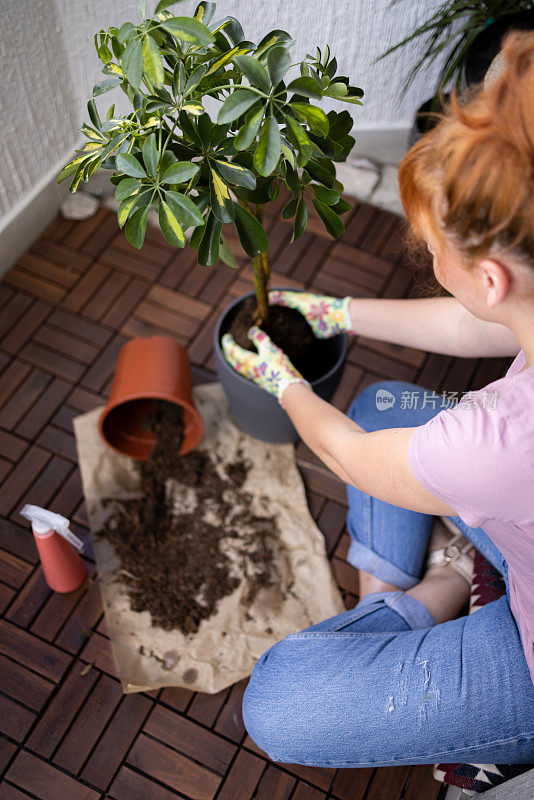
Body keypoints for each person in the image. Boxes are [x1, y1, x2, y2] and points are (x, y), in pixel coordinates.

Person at [222, 30, 534, 767]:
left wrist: (283, 380)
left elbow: (350, 458)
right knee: (381, 403)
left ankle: (444, 585)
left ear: (491, 276)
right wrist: (336, 312)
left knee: (278, 701)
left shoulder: (500, 439)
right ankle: (424, 593)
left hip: (527, 640)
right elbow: (476, 322)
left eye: (432, 246)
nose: (426, 253)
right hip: (518, 507)